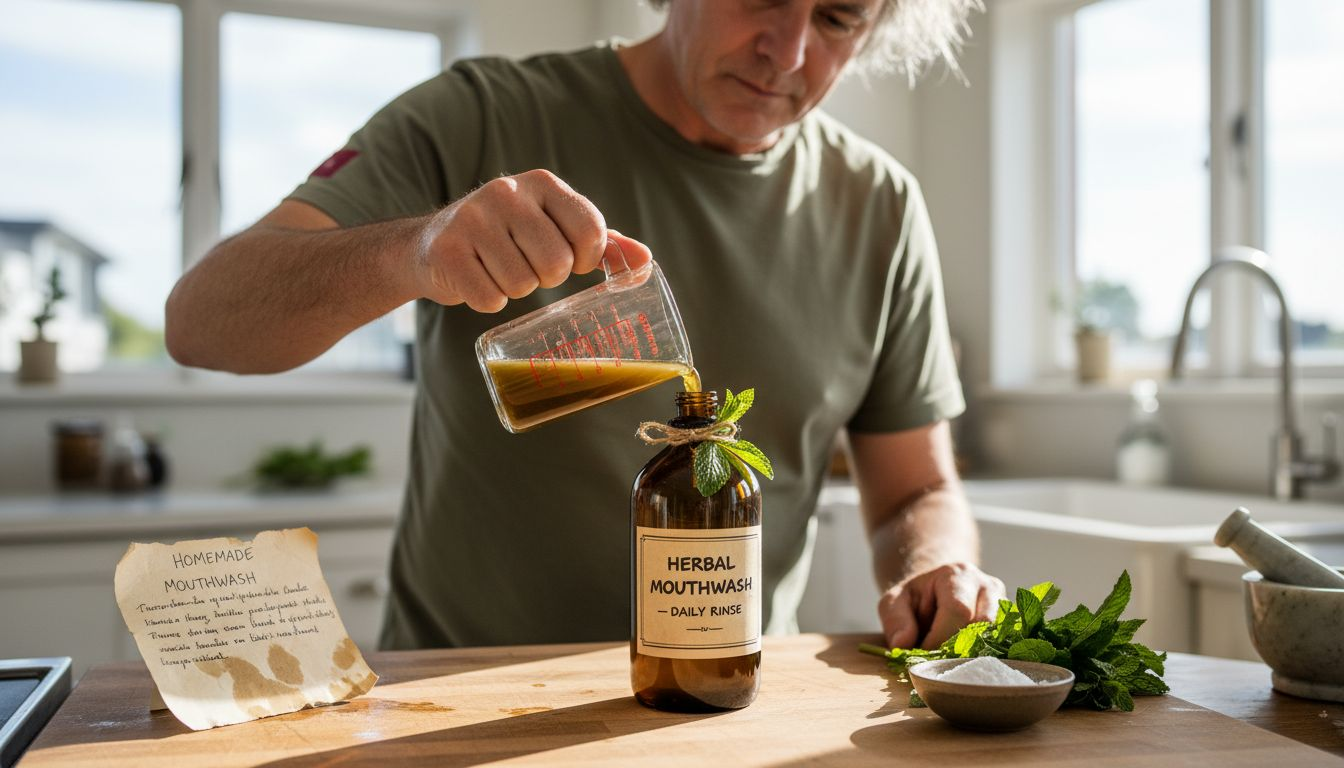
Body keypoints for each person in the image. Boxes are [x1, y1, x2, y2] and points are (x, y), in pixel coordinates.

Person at [165, 0, 1003, 653]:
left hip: (723, 700)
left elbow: (916, 491)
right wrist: (414, 251)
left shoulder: (880, 208)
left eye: (837, 18)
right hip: (463, 702)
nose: (786, 51)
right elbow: (201, 322)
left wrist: (932, 565)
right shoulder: (478, 116)